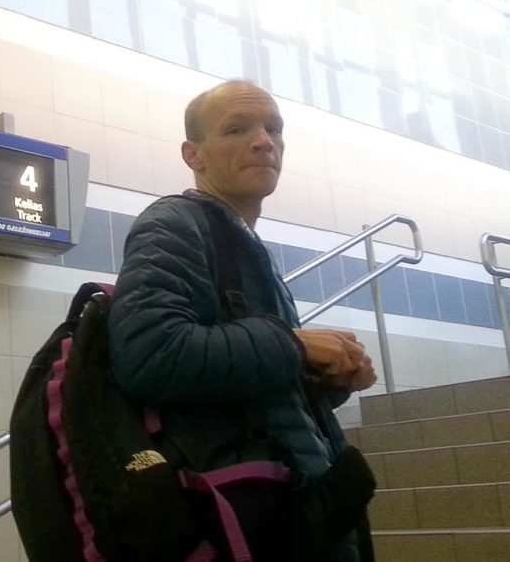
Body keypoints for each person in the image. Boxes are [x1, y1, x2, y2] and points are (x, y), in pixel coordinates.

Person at [107, 80, 377, 561]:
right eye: (238, 129)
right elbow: (151, 356)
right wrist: (294, 346)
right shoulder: (174, 224)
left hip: (297, 510)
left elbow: (251, 394)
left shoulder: (246, 246)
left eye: (273, 128)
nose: (264, 141)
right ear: (194, 155)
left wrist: (329, 379)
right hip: (248, 520)